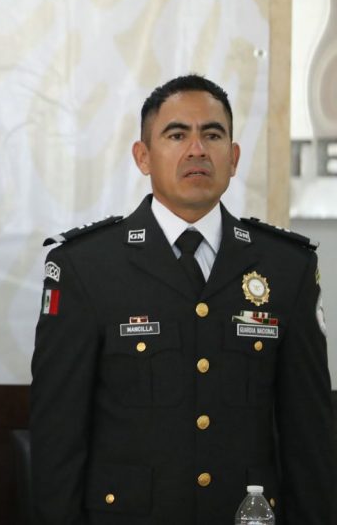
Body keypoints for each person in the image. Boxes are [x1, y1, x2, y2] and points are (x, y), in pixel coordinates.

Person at [30, 74, 333, 524]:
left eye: (212, 134)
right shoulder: (85, 266)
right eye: (176, 135)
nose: (197, 149)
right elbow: (57, 435)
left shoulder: (287, 267)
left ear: (233, 158)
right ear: (143, 156)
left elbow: (309, 435)